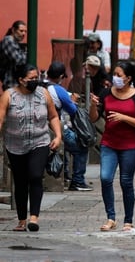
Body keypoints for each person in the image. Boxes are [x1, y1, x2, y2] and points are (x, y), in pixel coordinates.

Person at [0, 64, 62, 232]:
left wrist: (57, 136)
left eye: (37, 77)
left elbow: (53, 116)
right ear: (21, 80)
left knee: (35, 175)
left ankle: (34, 217)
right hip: (15, 145)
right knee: (20, 181)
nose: (36, 81)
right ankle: (21, 220)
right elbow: (1, 117)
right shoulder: (9, 95)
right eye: (31, 78)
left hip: (39, 142)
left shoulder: (43, 94)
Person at [89, 61, 135, 232]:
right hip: (109, 143)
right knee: (105, 178)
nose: (115, 78)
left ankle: (128, 221)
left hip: (130, 145)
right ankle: (110, 217)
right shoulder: (106, 93)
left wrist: (124, 118)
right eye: (114, 74)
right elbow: (93, 118)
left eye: (119, 75)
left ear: (128, 78)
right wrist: (93, 105)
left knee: (126, 181)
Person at [46, 61, 93, 191]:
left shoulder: (40, 85)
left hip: (42, 128)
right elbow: (72, 110)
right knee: (81, 146)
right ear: (61, 76)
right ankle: (77, 180)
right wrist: (72, 101)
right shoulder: (57, 89)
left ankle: (67, 174)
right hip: (55, 129)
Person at [0, 20, 27, 92]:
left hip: (16, 82)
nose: (23, 33)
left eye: (25, 31)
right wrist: (27, 53)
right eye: (21, 31)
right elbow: (19, 60)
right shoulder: (8, 40)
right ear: (13, 30)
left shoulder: (16, 42)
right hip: (11, 83)